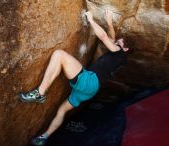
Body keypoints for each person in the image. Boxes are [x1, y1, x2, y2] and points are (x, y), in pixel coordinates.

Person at [19, 10, 131, 146]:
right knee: (61, 110)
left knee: (59, 54)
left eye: (119, 44)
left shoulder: (120, 54)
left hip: (89, 81)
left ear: (125, 49)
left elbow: (103, 37)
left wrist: (91, 20)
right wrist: (109, 22)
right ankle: (44, 137)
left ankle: (40, 93)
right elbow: (112, 39)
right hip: (89, 91)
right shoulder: (118, 56)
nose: (116, 43)